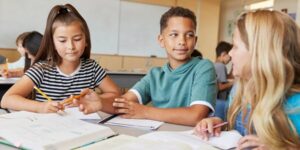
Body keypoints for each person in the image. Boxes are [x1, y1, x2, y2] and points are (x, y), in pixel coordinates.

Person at [74, 6, 217, 126]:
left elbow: (197, 115)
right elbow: (123, 103)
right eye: (174, 34)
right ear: (161, 40)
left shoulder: (203, 67)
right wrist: (100, 102)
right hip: (160, 137)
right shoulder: (155, 75)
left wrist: (145, 111)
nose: (182, 41)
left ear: (195, 40)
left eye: (189, 35)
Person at [194, 10, 300, 149]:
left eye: (236, 46)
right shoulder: (239, 89)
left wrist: (282, 147)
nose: (230, 54)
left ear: (261, 54)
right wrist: (219, 123)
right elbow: (236, 132)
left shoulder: (296, 105)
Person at [1, 4, 121, 113]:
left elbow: (116, 94)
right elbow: (6, 100)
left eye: (77, 39)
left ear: (86, 41)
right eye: (62, 40)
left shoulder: (92, 67)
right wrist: (40, 107)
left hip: (82, 129)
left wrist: (98, 99)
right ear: (52, 43)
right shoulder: (42, 69)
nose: (71, 46)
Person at [214, 41, 234, 120]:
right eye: (230, 56)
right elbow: (220, 87)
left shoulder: (216, 65)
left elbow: (226, 78)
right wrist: (233, 82)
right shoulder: (221, 66)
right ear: (223, 54)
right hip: (220, 100)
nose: (230, 59)